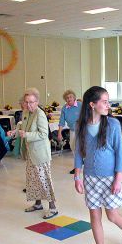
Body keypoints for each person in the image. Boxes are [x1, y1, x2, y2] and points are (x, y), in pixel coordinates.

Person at [74, 86, 122, 244]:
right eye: (105, 101)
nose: (108, 105)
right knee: (94, 216)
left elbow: (120, 153)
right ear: (92, 104)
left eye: (108, 101)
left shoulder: (112, 125)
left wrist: (118, 178)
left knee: (112, 215)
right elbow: (78, 152)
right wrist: (77, 176)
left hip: (110, 178)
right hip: (90, 178)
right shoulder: (81, 126)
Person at [20, 88, 58, 219]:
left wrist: (26, 134)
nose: (29, 105)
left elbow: (43, 134)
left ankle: (53, 207)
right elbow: (23, 127)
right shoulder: (25, 112)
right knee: (33, 180)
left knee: (44, 180)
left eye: (31, 102)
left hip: (40, 153)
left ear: (37, 102)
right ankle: (38, 204)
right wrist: (15, 132)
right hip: (31, 152)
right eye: (26, 102)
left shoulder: (40, 114)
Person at [58, 89, 82, 174]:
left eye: (71, 97)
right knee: (72, 147)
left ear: (74, 97)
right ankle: (79, 163)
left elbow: (88, 115)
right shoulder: (65, 108)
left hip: (82, 130)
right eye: (67, 98)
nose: (69, 99)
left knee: (80, 147)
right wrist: (59, 133)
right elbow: (61, 121)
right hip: (72, 130)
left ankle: (77, 167)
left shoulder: (80, 105)